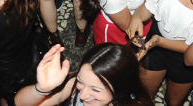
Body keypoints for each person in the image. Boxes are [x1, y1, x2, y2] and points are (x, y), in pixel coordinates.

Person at [14, 42, 154, 106]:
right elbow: (19, 103)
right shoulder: (75, 84)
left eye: (96, 89)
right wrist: (42, 88)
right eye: (81, 81)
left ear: (121, 88)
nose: (82, 96)